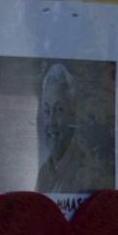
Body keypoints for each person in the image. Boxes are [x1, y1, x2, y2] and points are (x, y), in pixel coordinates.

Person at [35, 61, 96, 193]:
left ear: (73, 114)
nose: (51, 122)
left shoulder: (86, 169)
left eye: (59, 110)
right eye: (47, 111)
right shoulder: (43, 172)